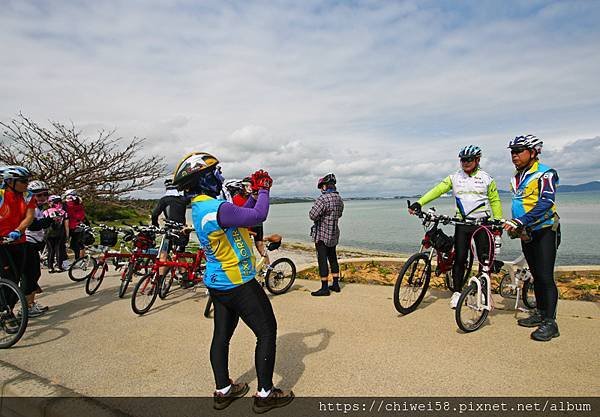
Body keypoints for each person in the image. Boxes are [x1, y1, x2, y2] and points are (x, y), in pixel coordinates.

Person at [172, 152, 293, 413]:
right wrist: (264, 190)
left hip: (217, 283)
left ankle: (223, 390)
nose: (221, 176)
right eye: (216, 173)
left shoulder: (202, 208)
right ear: (203, 179)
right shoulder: (217, 208)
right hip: (238, 282)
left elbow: (242, 214)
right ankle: (265, 394)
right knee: (267, 331)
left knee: (221, 336)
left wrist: (251, 193)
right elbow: (258, 216)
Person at [408, 145, 503, 308]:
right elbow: (437, 190)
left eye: (469, 159)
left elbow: (494, 200)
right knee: (459, 259)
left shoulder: (487, 178)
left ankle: (482, 292)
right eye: (462, 160)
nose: (465, 163)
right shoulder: (454, 177)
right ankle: (457, 293)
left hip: (482, 225)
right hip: (462, 224)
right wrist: (420, 202)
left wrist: (499, 221)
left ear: (477, 160)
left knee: (484, 260)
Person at [503, 135, 560, 342]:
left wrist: (521, 220)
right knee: (536, 274)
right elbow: (522, 202)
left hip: (545, 230)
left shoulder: (545, 174)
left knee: (545, 276)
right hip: (526, 232)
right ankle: (541, 313)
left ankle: (551, 323)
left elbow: (546, 202)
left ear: (533, 152)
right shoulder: (517, 176)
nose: (514, 155)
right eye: (512, 152)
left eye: (519, 151)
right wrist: (515, 222)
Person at [0, 166, 36, 333]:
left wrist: (18, 231)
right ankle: (5, 313)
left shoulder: (28, 196)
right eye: (23, 181)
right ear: (10, 181)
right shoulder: (1, 195)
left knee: (16, 278)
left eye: (27, 181)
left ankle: (9, 309)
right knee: (6, 277)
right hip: (1, 242)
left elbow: (29, 217)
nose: (26, 184)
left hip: (17, 241)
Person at [309, 173, 344, 296]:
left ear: (325, 186)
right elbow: (339, 214)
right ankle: (335, 284)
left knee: (322, 260)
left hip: (322, 234)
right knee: (333, 258)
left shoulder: (322, 199)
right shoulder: (339, 199)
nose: (320, 189)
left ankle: (324, 288)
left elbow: (312, 215)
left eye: (321, 187)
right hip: (333, 233)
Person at [151, 178, 190, 284]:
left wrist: (155, 225)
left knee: (163, 253)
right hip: (182, 230)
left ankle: (159, 280)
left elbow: (155, 214)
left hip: (169, 231)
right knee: (180, 253)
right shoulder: (183, 199)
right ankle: (185, 277)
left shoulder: (165, 200)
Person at [24, 180, 54, 316]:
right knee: (31, 275)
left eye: (45, 194)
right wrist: (49, 220)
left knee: (34, 274)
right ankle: (28, 306)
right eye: (38, 195)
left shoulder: (38, 208)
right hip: (27, 243)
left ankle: (30, 303)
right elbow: (32, 225)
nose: (42, 197)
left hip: (34, 244)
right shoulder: (29, 207)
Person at [231, 177, 270, 265]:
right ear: (243, 187)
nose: (250, 188)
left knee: (260, 245)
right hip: (244, 225)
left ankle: (268, 267)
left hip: (256, 223)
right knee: (246, 247)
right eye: (247, 186)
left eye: (251, 186)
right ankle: (250, 266)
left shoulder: (255, 196)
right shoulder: (236, 198)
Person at [44, 195, 70, 273]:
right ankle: (59, 267)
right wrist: (67, 236)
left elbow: (44, 224)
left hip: (49, 234)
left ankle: (50, 267)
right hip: (60, 233)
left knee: (50, 250)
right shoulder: (64, 212)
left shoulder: (46, 212)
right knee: (59, 249)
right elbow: (67, 225)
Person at [64, 189, 87, 263]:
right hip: (76, 226)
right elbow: (81, 216)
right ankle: (79, 259)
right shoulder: (79, 204)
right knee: (78, 244)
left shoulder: (66, 205)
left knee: (63, 244)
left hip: (68, 226)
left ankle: (64, 260)